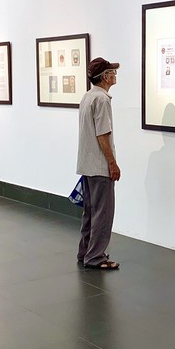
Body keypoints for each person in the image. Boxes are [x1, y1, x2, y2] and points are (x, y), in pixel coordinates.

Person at [76, 57, 121, 270]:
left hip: (87, 164)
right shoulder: (102, 100)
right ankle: (95, 257)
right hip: (99, 166)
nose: (115, 75)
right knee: (103, 213)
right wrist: (112, 163)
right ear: (105, 77)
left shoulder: (87, 96)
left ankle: (85, 252)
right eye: (112, 72)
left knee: (90, 211)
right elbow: (103, 134)